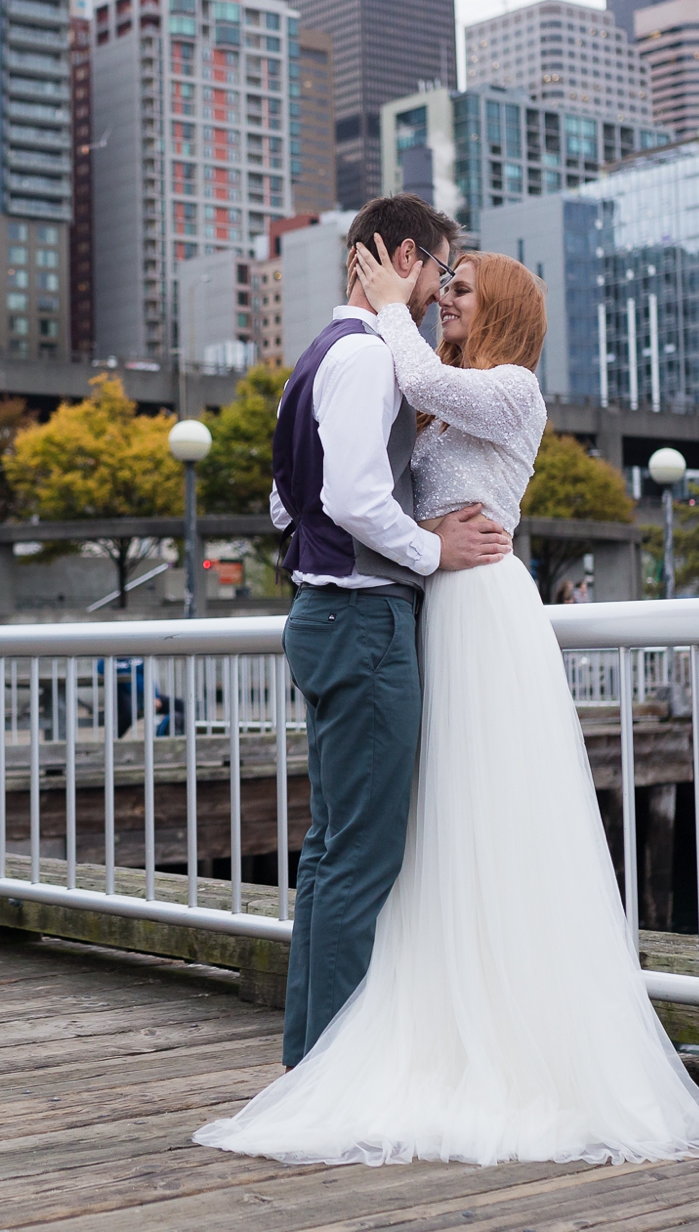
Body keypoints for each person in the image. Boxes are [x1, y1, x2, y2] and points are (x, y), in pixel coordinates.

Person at [194, 237, 699, 1167]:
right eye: (444, 283)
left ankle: (500, 1030)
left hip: (482, 610)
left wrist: (386, 302)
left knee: (487, 815)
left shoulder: (511, 390)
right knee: (424, 824)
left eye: (466, 290)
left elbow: (414, 375)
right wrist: (417, 519)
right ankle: (402, 1022)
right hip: (427, 605)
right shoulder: (434, 396)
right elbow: (374, 481)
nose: (447, 298)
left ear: (507, 311)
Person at [256, 195, 515, 1079]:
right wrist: (431, 549)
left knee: (332, 852)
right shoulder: (368, 357)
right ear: (405, 258)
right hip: (364, 619)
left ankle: (310, 1064)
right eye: (440, 270)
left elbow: (287, 502)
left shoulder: (317, 356)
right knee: (362, 858)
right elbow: (356, 498)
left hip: (326, 614)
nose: (442, 289)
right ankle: (336, 1078)